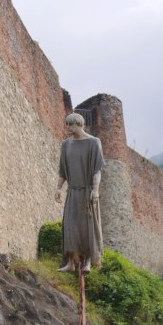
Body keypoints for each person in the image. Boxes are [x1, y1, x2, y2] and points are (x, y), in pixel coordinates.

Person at [54, 112, 104, 272]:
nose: (68, 127)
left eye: (71, 124)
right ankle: (70, 262)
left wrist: (95, 190)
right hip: (73, 192)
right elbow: (62, 171)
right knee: (70, 226)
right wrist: (58, 188)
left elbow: (97, 171)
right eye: (67, 124)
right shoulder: (66, 145)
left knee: (88, 227)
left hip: (88, 192)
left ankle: (88, 261)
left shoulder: (94, 142)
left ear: (79, 124)